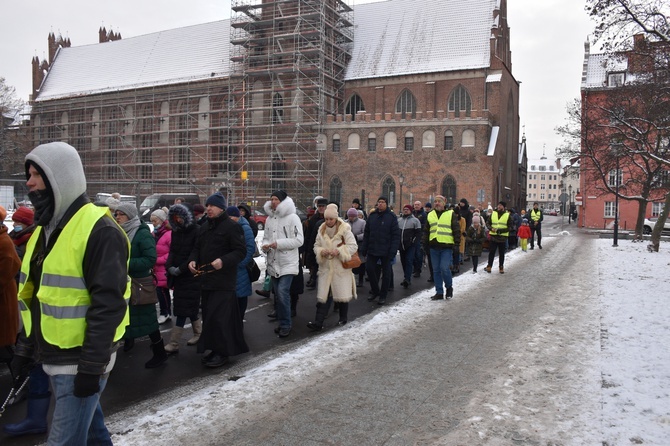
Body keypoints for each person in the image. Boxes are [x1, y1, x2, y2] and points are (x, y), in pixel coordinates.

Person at [12, 141, 130, 444]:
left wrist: (91, 367)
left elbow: (108, 304)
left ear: (60, 177)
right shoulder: (45, 229)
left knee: (64, 440)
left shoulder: (99, 229)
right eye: (29, 174)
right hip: (54, 354)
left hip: (79, 363)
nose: (29, 182)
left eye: (37, 174)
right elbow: (35, 294)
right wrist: (26, 346)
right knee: (93, 434)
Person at [3, 205, 52, 438]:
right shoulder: (31, 238)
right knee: (35, 367)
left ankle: (37, 418)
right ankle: (35, 418)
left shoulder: (39, 239)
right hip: (35, 314)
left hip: (55, 322)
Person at [188, 192, 248, 367]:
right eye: (207, 205)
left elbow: (240, 251)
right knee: (210, 318)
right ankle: (214, 349)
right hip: (206, 280)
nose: (208, 209)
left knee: (220, 318)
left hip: (224, 281)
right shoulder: (205, 227)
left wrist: (224, 261)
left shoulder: (232, 227)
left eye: (212, 206)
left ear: (221, 208)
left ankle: (222, 353)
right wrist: (192, 260)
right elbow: (197, 248)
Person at [114, 203, 168, 369]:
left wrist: (124, 263)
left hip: (139, 285)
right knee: (123, 318)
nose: (117, 217)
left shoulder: (142, 233)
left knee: (148, 320)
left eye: (121, 214)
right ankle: (124, 345)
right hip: (123, 283)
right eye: (116, 214)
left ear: (130, 216)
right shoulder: (119, 231)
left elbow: (149, 259)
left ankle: (160, 353)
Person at [307, 204, 357, 330]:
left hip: (340, 268)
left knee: (342, 296)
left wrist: (339, 251)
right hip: (326, 269)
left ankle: (343, 318)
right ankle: (318, 323)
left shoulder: (344, 229)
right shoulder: (321, 229)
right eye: (326, 219)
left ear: (336, 218)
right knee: (324, 297)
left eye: (331, 219)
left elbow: (353, 246)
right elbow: (316, 246)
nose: (328, 221)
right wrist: (321, 251)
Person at [261, 190, 304, 338]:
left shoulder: (293, 217)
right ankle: (281, 321)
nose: (273, 202)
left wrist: (278, 244)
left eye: (276, 199)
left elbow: (299, 240)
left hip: (288, 262)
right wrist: (265, 245)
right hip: (273, 261)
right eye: (271, 199)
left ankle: (286, 324)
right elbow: (266, 237)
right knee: (278, 295)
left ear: (283, 201)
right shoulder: (269, 219)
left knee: (282, 292)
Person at [164, 204, 202, 354]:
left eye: (179, 217)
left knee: (182, 309)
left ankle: (174, 343)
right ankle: (199, 333)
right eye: (175, 217)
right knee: (188, 307)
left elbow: (195, 252)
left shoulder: (196, 230)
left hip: (191, 274)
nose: (177, 220)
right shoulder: (176, 231)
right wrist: (169, 266)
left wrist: (181, 268)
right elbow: (172, 250)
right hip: (178, 275)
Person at [361, 196, 400, 305]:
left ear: (386, 204)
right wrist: (364, 248)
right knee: (369, 270)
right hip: (373, 249)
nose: (380, 204)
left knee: (386, 274)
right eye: (379, 202)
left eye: (383, 202)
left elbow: (395, 235)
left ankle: (383, 295)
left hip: (386, 251)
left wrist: (393, 251)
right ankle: (375, 291)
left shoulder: (391, 217)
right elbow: (367, 234)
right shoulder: (372, 216)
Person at [423, 195, 461, 300]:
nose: (437, 203)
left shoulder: (450, 214)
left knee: (444, 268)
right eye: (435, 201)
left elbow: (456, 230)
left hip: (446, 246)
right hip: (433, 246)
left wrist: (457, 244)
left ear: (444, 203)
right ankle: (439, 292)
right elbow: (426, 231)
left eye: (439, 201)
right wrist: (424, 244)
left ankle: (449, 287)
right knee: (435, 270)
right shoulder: (430, 215)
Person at [226, 206, 256, 322]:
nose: (229, 219)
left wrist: (241, 263)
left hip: (241, 267)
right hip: (232, 266)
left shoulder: (245, 228)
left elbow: (250, 248)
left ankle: (239, 319)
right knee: (233, 295)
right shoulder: (230, 227)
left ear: (237, 216)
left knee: (241, 295)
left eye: (231, 217)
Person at [151, 209, 173, 324]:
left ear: (161, 220)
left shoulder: (168, 234)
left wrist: (158, 260)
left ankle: (165, 312)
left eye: (155, 221)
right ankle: (166, 312)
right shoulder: (155, 233)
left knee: (162, 291)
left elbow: (172, 252)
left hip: (163, 267)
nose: (153, 223)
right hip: (156, 268)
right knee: (162, 291)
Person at [304, 197, 328, 289]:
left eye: (323, 206)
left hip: (327, 245)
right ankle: (313, 279)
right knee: (315, 263)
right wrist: (308, 246)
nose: (321, 208)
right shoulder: (314, 219)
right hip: (316, 244)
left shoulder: (330, 217)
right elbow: (309, 234)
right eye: (319, 206)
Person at [485, 201, 513, 274]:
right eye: (498, 205)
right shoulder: (493, 214)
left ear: (504, 207)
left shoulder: (507, 215)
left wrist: (501, 231)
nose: (499, 207)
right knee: (492, 252)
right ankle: (489, 266)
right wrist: (491, 228)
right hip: (493, 236)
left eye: (500, 205)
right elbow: (487, 222)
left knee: (501, 253)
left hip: (502, 237)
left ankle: (501, 267)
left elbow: (511, 227)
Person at [397, 204, 421, 288]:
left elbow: (418, 233)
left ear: (411, 210)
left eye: (407, 209)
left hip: (410, 245)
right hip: (401, 245)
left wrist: (413, 241)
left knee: (409, 260)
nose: (405, 210)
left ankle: (407, 279)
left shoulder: (415, 220)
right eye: (404, 209)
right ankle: (406, 277)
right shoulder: (399, 220)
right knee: (403, 261)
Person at [345, 207, 366, 287]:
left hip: (359, 245)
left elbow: (365, 233)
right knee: (350, 262)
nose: (351, 218)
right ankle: (351, 279)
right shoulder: (345, 222)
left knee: (360, 262)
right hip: (348, 245)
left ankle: (360, 279)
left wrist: (357, 237)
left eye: (353, 216)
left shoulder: (362, 222)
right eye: (349, 216)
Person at [412, 200, 427, 278]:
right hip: (412, 236)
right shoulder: (412, 213)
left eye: (418, 204)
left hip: (420, 236)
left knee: (419, 254)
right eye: (415, 204)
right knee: (413, 254)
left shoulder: (423, 214)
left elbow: (425, 225)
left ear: (421, 206)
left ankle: (418, 270)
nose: (416, 206)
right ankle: (414, 268)